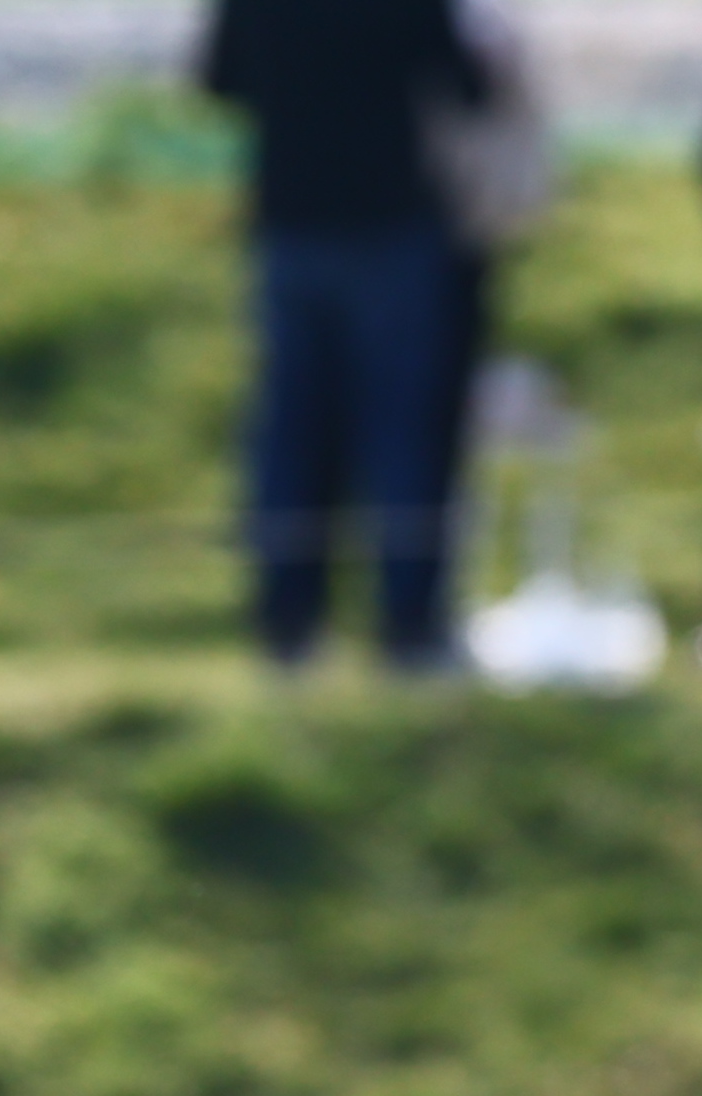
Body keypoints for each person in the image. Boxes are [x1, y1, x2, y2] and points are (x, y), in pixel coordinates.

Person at [200, 0, 488, 672]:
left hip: (290, 218)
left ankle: (288, 621)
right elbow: (464, 84)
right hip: (392, 221)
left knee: (291, 425)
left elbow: (220, 81)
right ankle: (410, 623)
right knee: (402, 426)